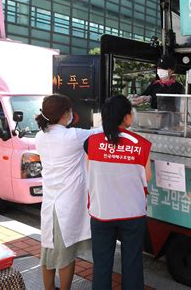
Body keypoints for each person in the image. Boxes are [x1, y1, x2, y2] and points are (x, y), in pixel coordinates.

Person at [85, 95, 152, 290]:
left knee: (102, 265)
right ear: (127, 117)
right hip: (132, 213)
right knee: (132, 263)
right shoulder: (142, 144)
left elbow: (90, 170)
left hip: (101, 212)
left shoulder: (92, 142)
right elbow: (147, 177)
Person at [35, 94, 101, 290]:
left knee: (48, 252)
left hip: (50, 203)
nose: (72, 114)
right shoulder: (72, 136)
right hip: (67, 205)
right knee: (65, 256)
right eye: (70, 110)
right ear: (64, 114)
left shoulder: (40, 136)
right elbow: (102, 131)